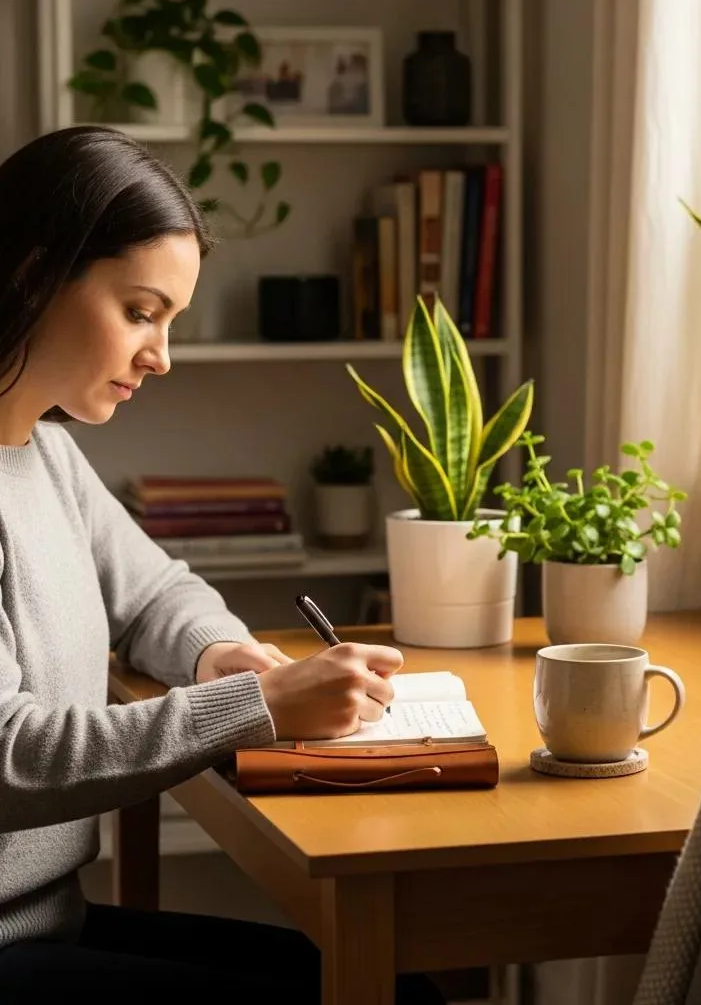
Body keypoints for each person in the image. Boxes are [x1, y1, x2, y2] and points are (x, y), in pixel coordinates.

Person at [0, 125, 446, 1004]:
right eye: (140, 312)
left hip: (50, 918)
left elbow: (156, 588)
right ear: (34, 273)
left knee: (398, 988)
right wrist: (256, 706)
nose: (161, 356)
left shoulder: (41, 449)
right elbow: (7, 756)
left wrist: (218, 655)